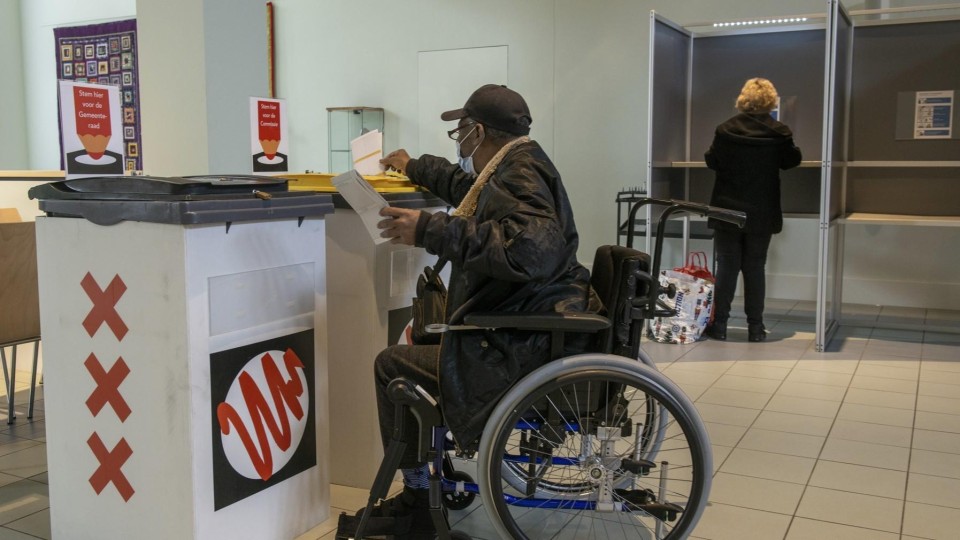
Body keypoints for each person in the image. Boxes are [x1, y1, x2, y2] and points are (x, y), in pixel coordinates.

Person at [342, 84, 600, 539]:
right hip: (532, 326)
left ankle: (419, 498)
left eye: (459, 133)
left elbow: (532, 251)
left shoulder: (521, 173)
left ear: (477, 132)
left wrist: (430, 229)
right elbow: (472, 193)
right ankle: (424, 487)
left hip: (521, 343)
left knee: (392, 366)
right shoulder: (518, 164)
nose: (459, 144)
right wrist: (415, 166)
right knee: (423, 344)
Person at [704, 77, 802, 343]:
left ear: (743, 99)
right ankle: (756, 328)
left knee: (726, 265)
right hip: (762, 210)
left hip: (727, 209)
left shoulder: (725, 130)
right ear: (771, 101)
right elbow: (791, 160)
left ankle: (720, 325)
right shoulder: (779, 132)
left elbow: (712, 160)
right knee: (755, 267)